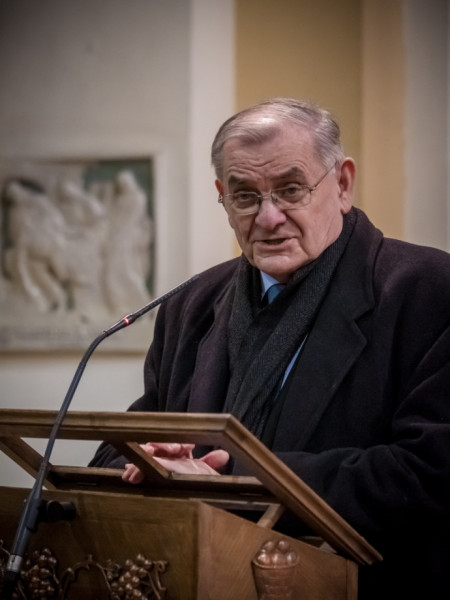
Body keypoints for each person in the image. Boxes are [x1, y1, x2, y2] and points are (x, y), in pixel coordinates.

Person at [90, 98, 450, 599]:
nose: (269, 216)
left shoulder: (429, 292)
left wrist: (228, 476)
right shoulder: (190, 305)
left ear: (342, 184)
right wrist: (148, 465)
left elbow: (429, 473)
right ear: (223, 197)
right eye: (245, 196)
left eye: (291, 189)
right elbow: (118, 449)